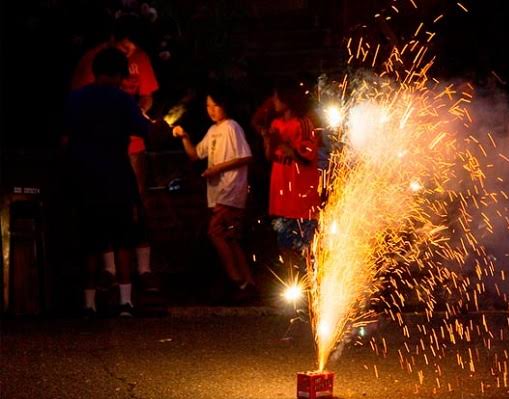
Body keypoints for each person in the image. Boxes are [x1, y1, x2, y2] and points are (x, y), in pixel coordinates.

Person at [71, 15, 160, 294]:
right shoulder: (94, 64)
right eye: (126, 47)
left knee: (136, 205)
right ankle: (114, 279)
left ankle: (138, 273)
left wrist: (140, 113)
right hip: (109, 154)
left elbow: (148, 95)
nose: (131, 53)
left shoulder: (138, 59)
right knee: (113, 216)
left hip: (127, 146)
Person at [64, 47, 149, 317]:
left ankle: (88, 303)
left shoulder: (76, 99)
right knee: (122, 237)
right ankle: (125, 301)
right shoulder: (122, 100)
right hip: (116, 174)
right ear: (119, 74)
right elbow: (143, 129)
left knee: (90, 240)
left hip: (85, 175)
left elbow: (64, 135)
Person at [172, 87, 256, 300]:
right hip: (218, 192)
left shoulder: (232, 127)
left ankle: (236, 280)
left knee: (216, 232)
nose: (211, 110)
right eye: (207, 106)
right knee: (231, 237)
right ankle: (248, 283)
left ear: (224, 105)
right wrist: (184, 137)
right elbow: (195, 155)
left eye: (215, 105)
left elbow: (245, 157)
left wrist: (218, 168)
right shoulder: (213, 131)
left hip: (230, 190)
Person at [263, 84, 322, 270]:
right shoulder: (276, 124)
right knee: (285, 249)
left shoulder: (303, 123)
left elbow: (306, 156)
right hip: (281, 202)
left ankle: (309, 289)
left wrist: (282, 142)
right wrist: (269, 142)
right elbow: (269, 156)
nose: (274, 102)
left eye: (277, 97)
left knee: (304, 251)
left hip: (301, 203)